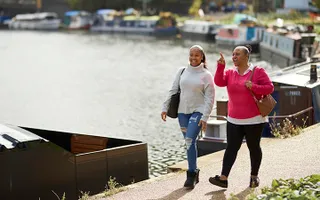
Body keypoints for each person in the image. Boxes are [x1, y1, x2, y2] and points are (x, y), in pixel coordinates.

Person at [209, 45, 274, 188]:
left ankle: (254, 177)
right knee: (231, 148)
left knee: (254, 148)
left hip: (254, 120)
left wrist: (254, 86)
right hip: (233, 119)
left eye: (237, 54)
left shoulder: (258, 71)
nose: (234, 56)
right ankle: (223, 178)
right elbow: (219, 82)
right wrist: (221, 67)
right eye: (233, 54)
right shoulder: (231, 72)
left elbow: (270, 87)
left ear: (246, 56)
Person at [161, 45, 215, 189]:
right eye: (191, 55)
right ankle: (194, 171)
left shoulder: (206, 75)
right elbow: (173, 90)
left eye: (196, 55)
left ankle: (191, 174)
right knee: (188, 142)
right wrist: (165, 107)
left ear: (202, 57)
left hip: (198, 111)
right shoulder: (182, 71)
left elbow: (210, 98)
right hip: (182, 112)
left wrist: (205, 117)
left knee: (190, 139)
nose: (193, 58)